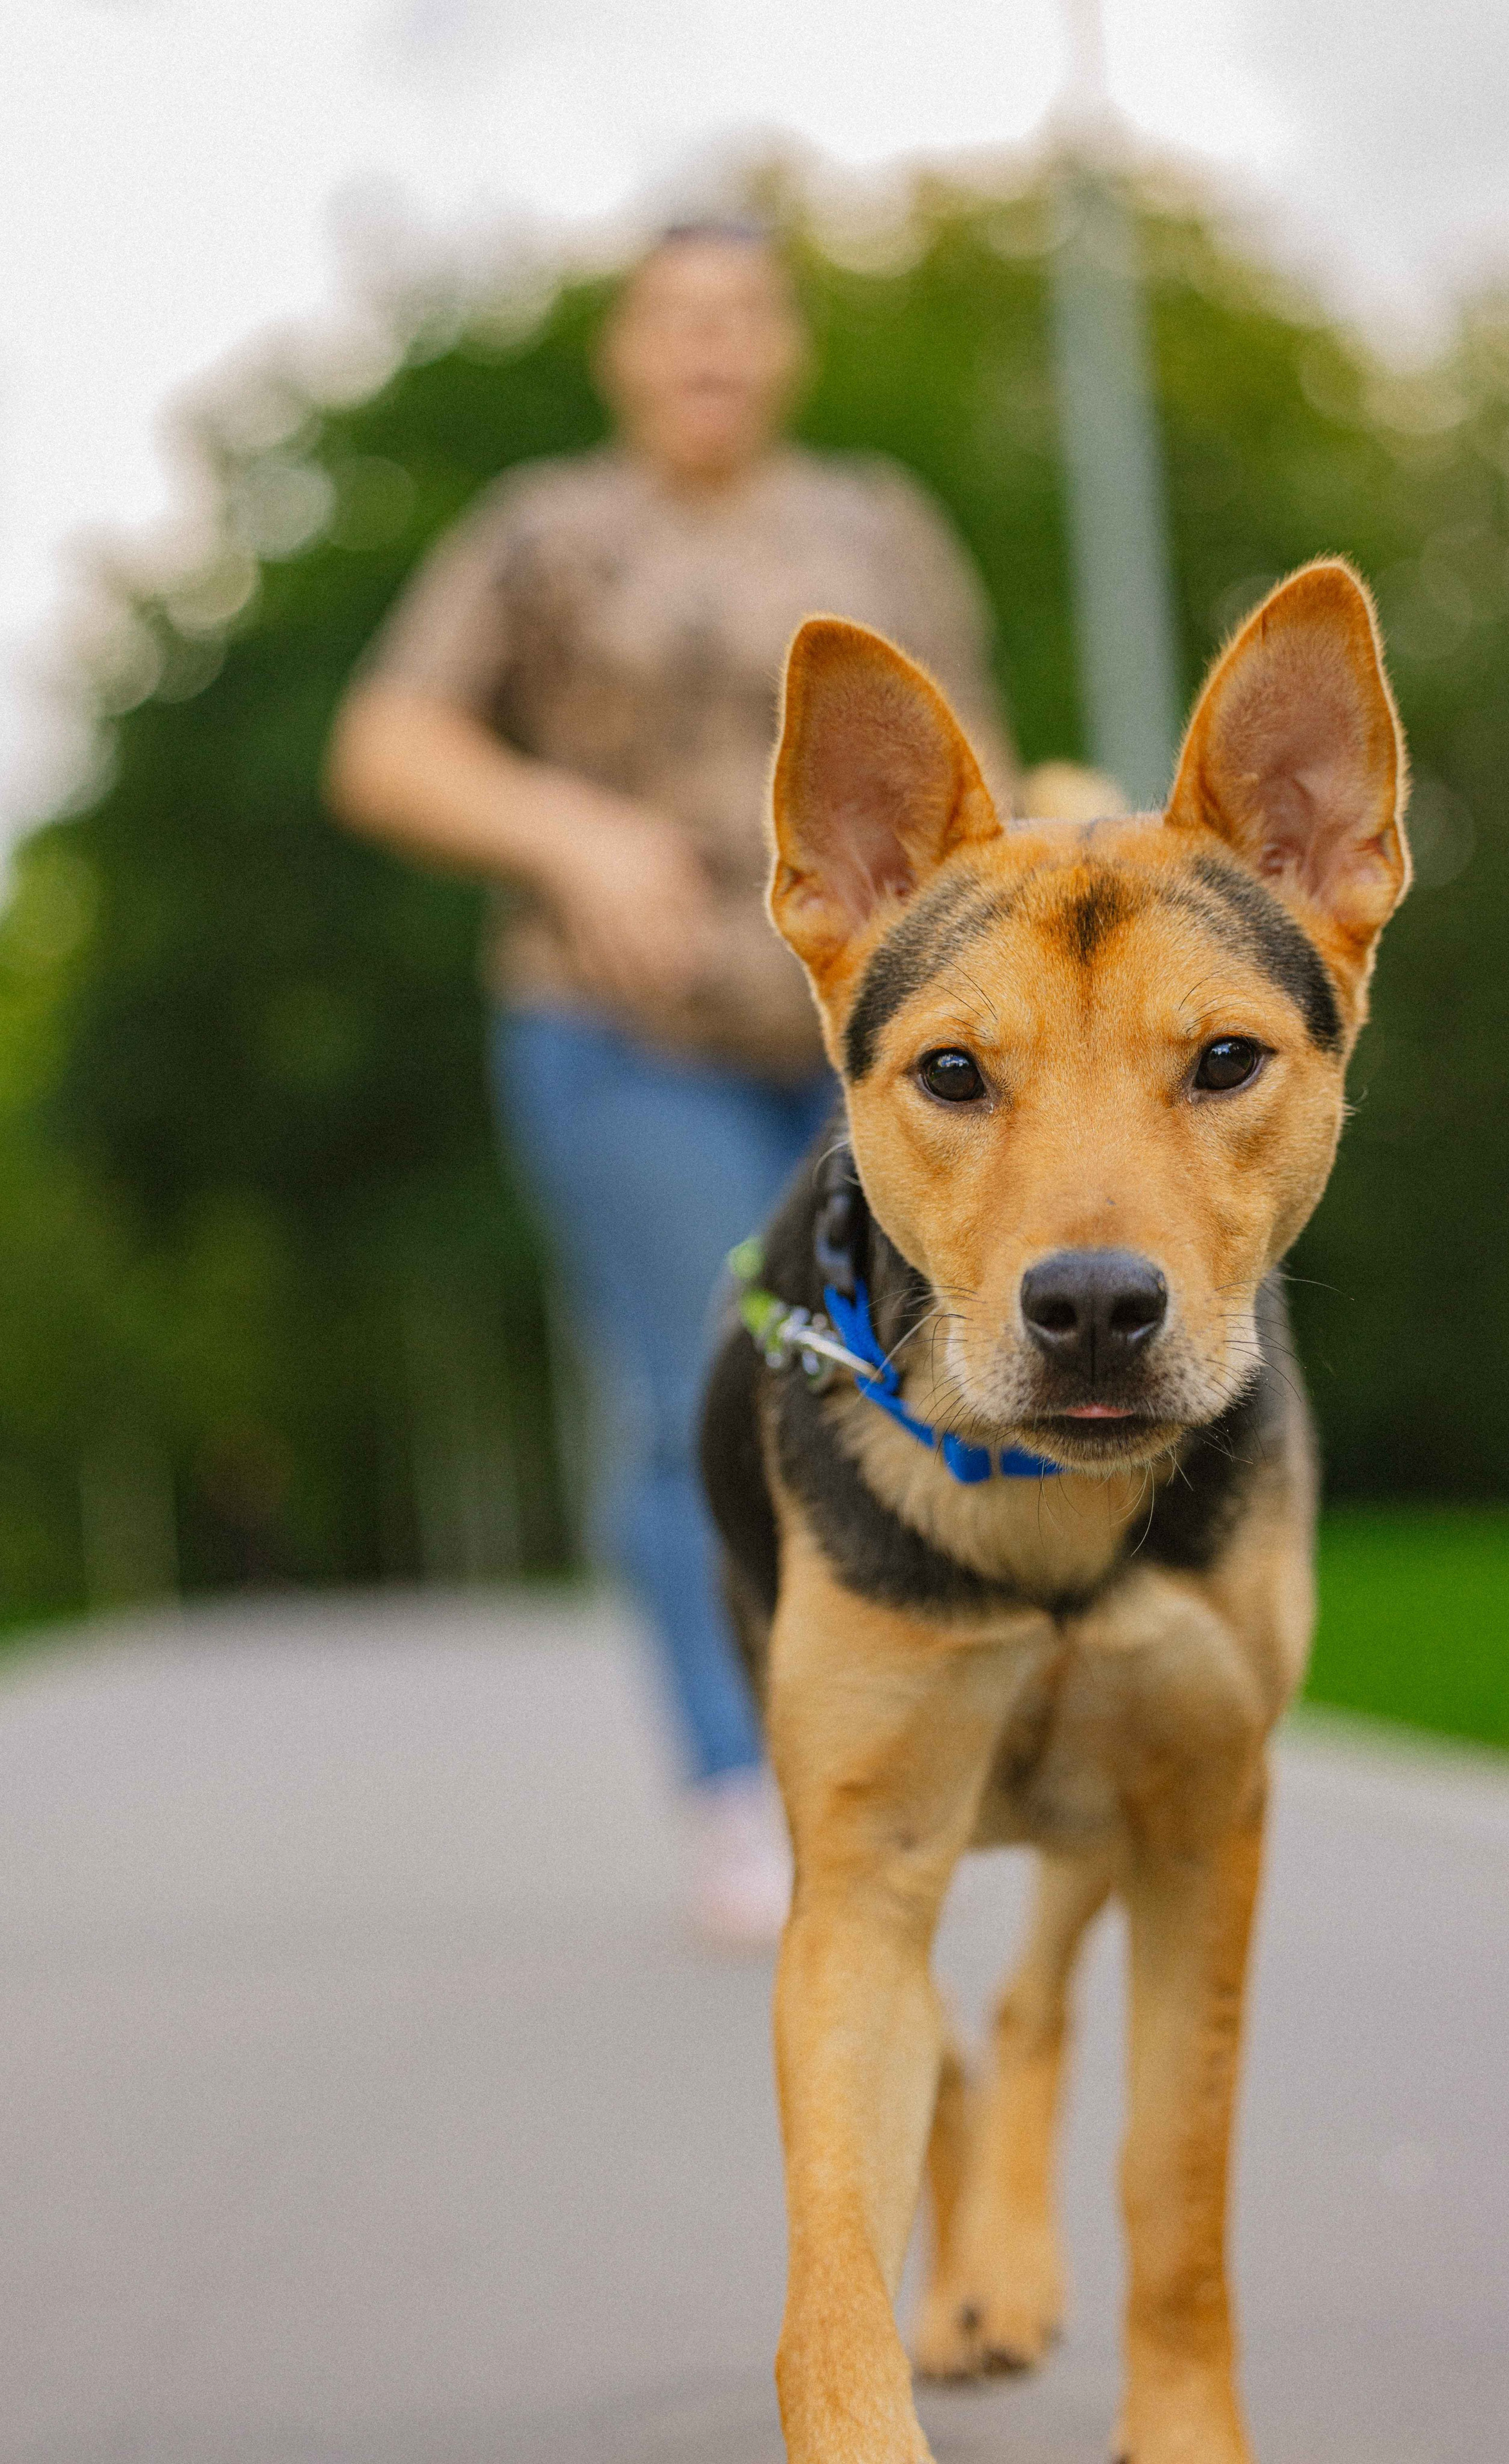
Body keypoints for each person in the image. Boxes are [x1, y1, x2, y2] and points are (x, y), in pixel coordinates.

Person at [326, 222, 1017, 1943]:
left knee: (907, 1379)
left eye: (744, 315)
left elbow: (976, 756)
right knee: (715, 1374)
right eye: (674, 318)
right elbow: (386, 744)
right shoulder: (548, 533)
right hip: (621, 1027)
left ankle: (901, 1748)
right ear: (622, 353)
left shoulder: (875, 524)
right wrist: (563, 830)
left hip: (870, 1044)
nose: (710, 345)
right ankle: (743, 1787)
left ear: (788, 348)